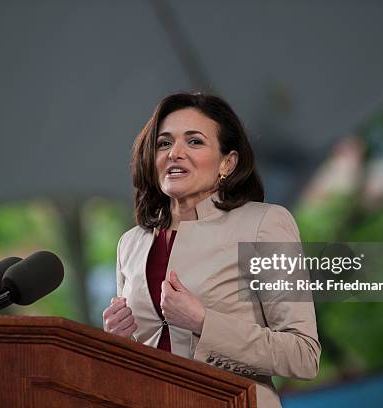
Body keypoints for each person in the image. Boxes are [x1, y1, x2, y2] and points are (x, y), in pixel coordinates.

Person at [102, 91, 320, 408]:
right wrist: (115, 341)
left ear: (227, 163)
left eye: (194, 142)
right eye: (164, 143)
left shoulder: (265, 224)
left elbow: (303, 356)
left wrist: (204, 322)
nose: (175, 153)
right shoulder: (130, 243)